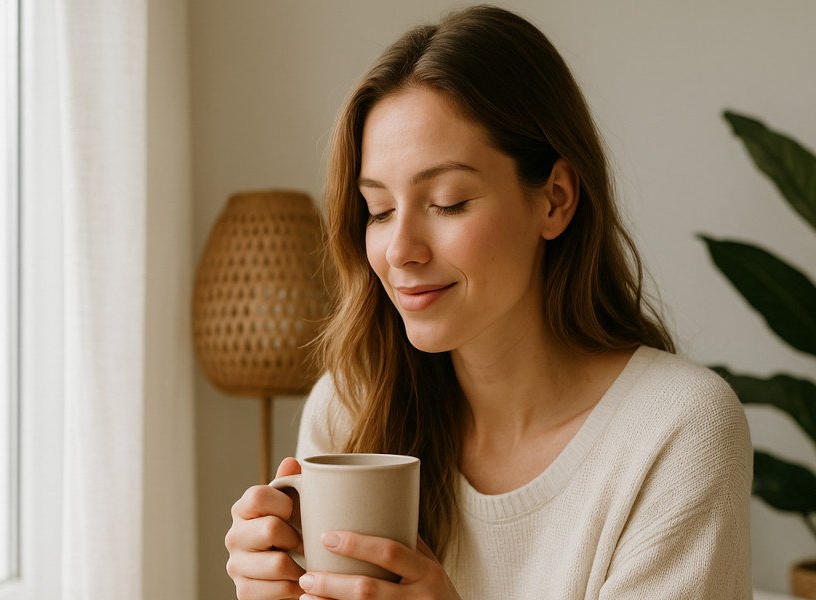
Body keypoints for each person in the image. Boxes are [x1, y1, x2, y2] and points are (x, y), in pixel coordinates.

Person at [224, 5, 752, 599]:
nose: (400, 250)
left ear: (554, 200)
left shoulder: (676, 430)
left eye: (447, 202)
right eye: (378, 210)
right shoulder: (350, 408)